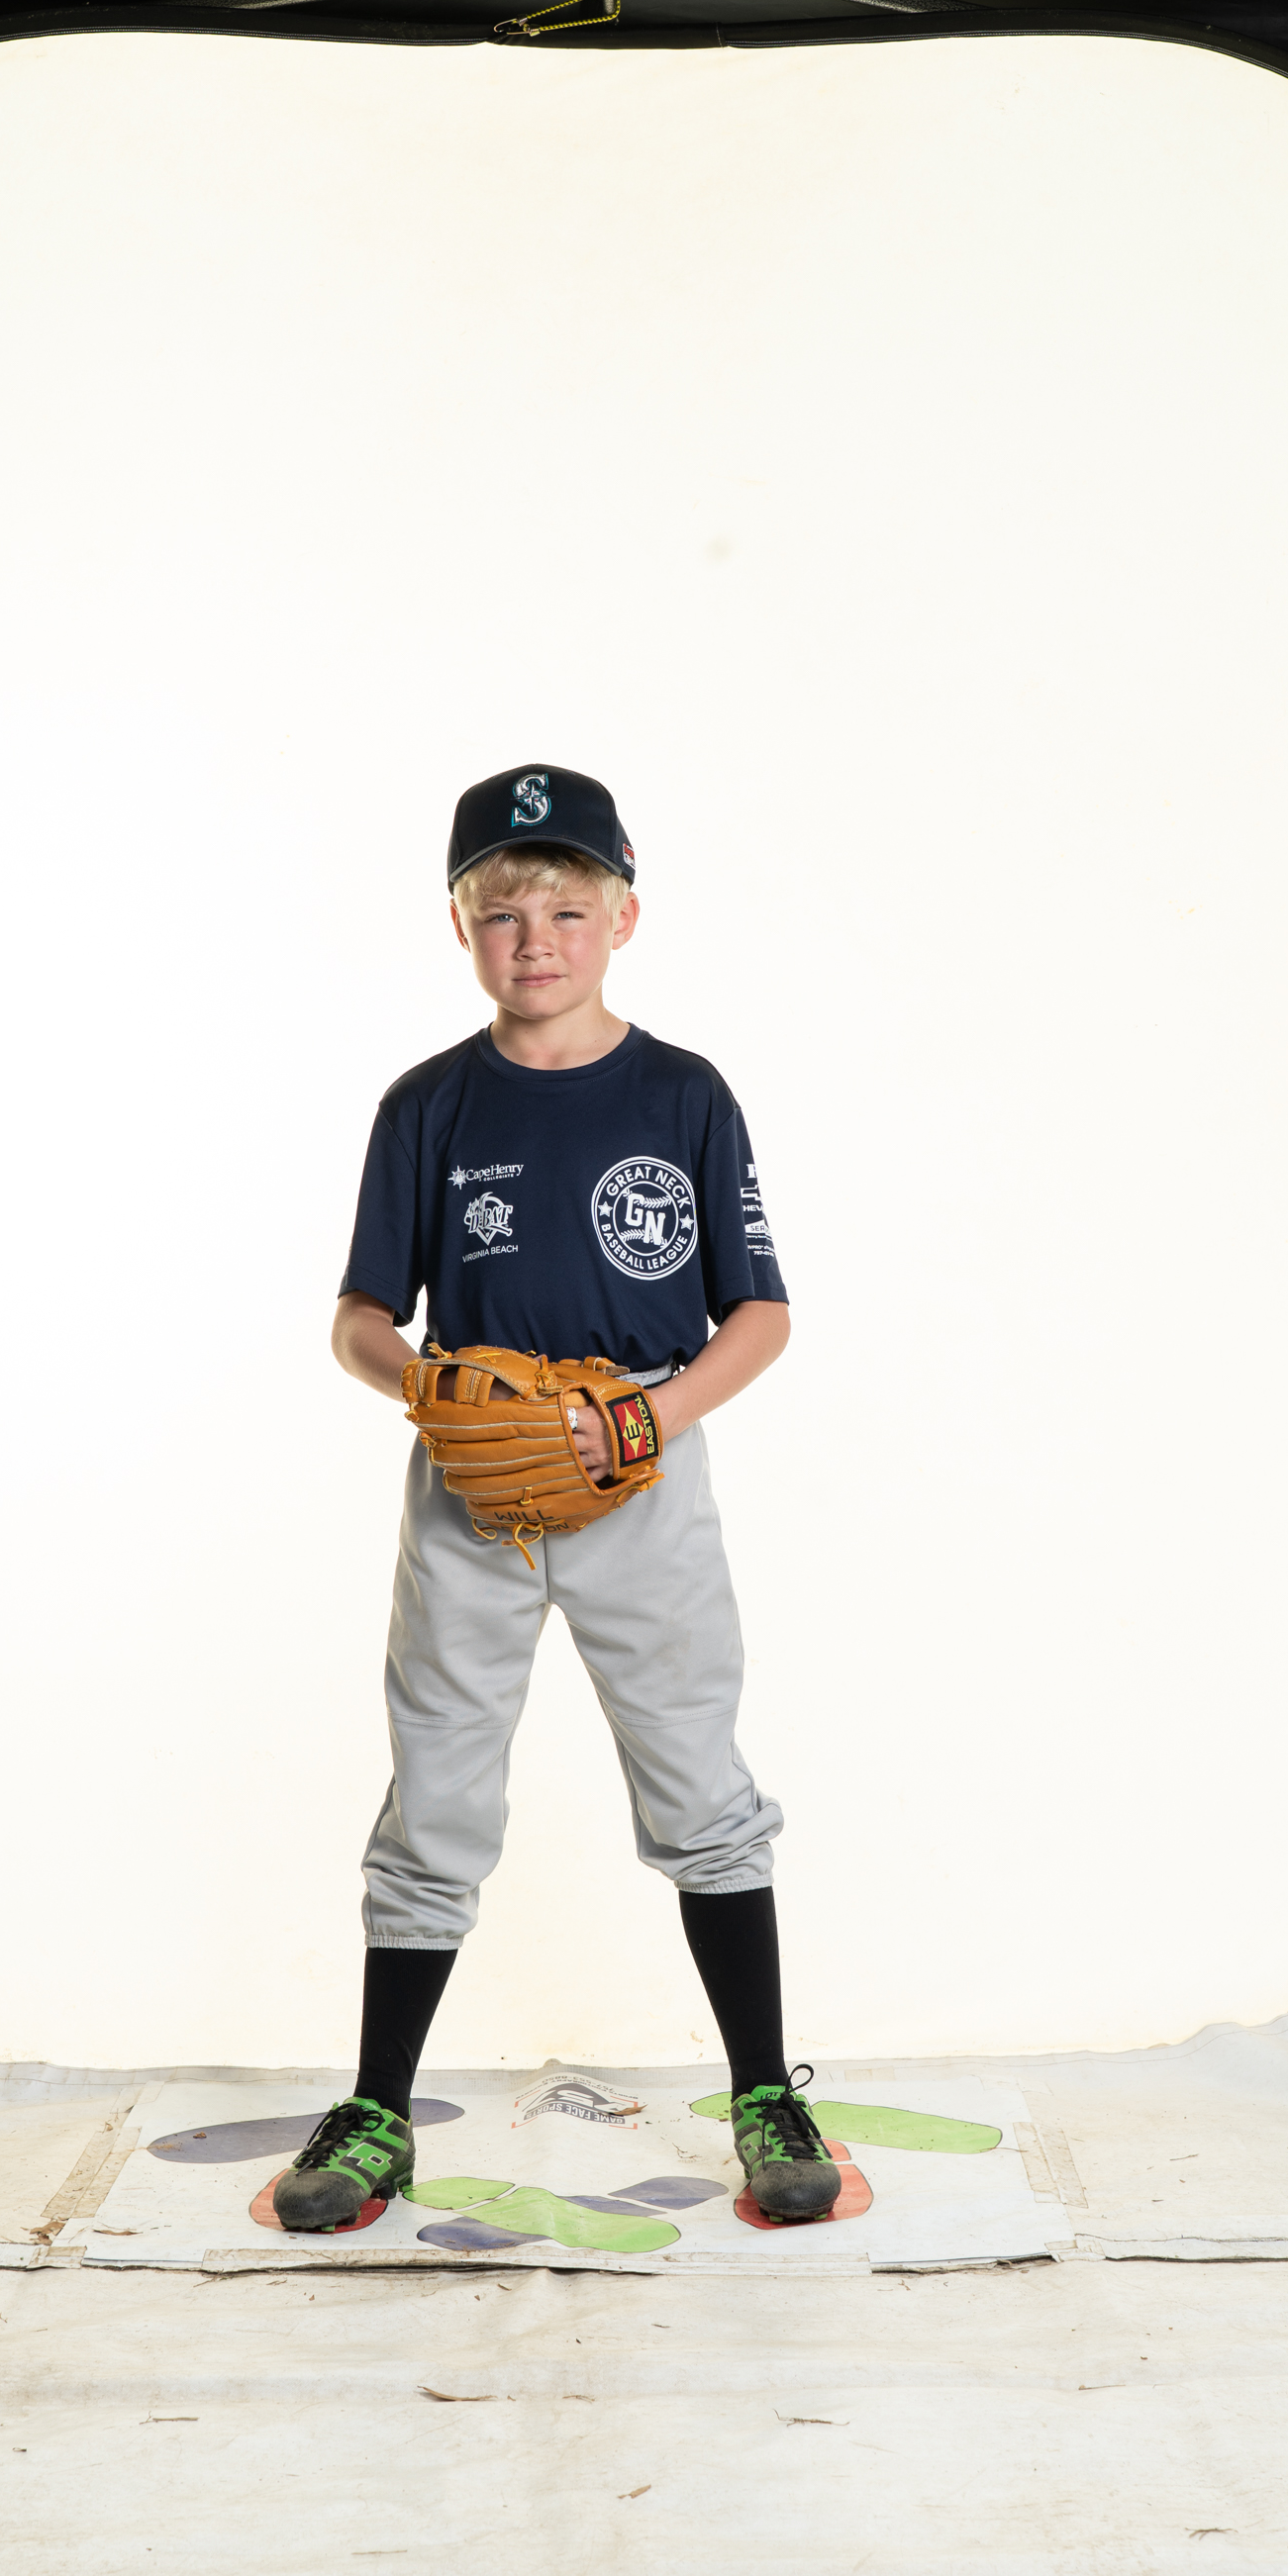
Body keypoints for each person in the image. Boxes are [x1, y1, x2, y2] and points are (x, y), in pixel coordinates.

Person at [274, 763, 839, 2233]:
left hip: (641, 1473)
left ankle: (766, 2090)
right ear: (460, 926)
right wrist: (430, 1389)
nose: (536, 939)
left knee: (698, 1780)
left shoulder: (684, 1094)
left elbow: (761, 1314)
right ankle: (379, 2110)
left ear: (623, 918)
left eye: (568, 909)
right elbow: (357, 1317)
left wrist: (644, 1416)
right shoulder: (426, 1105)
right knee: (436, 1791)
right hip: (471, 1484)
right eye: (502, 912)